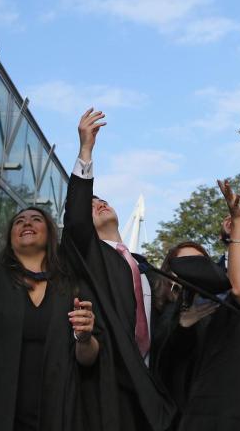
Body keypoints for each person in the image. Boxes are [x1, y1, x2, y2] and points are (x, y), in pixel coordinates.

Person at [60, 109, 175, 431]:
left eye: (103, 200)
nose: (100, 204)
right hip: (108, 381)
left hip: (152, 386)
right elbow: (77, 220)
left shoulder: (146, 268)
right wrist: (85, 151)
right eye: (91, 204)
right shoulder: (89, 257)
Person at [0, 205, 100, 430]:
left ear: (50, 234)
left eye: (36, 219)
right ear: (10, 238)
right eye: (19, 221)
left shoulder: (71, 286)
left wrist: (85, 337)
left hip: (58, 413)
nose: (27, 223)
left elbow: (88, 359)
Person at [153, 180, 240, 429]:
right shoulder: (167, 311)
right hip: (183, 414)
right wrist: (184, 327)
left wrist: (236, 232)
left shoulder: (226, 302)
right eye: (184, 265)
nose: (194, 271)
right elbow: (162, 360)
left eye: (200, 263)